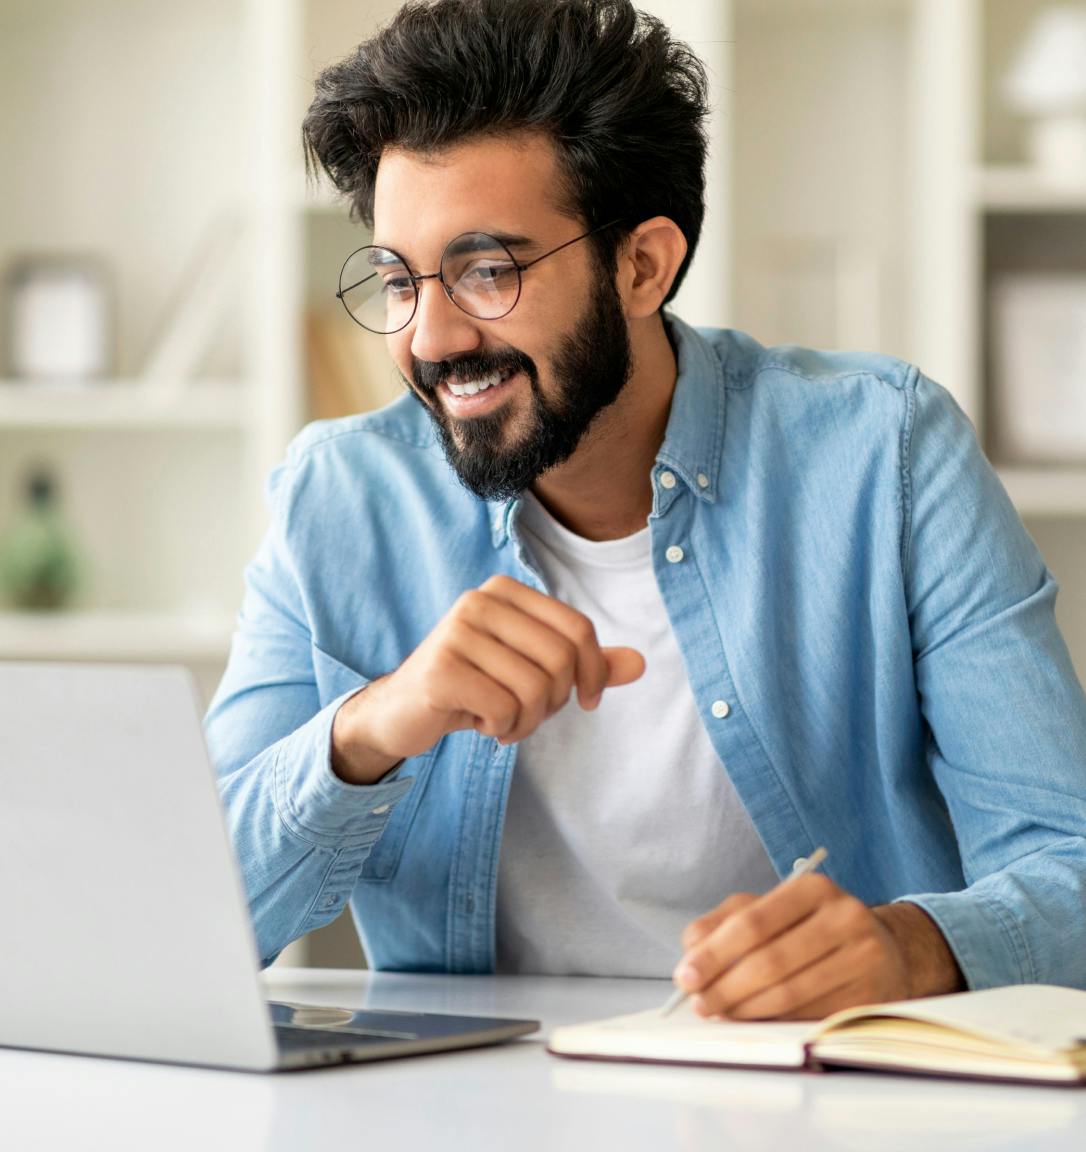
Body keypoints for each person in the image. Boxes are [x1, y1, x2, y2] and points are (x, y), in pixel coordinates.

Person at [205, 0, 1086, 1020]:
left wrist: (914, 948)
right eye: (400, 279)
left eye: (487, 271)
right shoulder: (339, 498)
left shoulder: (882, 454)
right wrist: (366, 731)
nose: (430, 337)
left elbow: (1068, 866)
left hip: (831, 1099)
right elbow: (190, 927)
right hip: (463, 1111)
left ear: (643, 264)